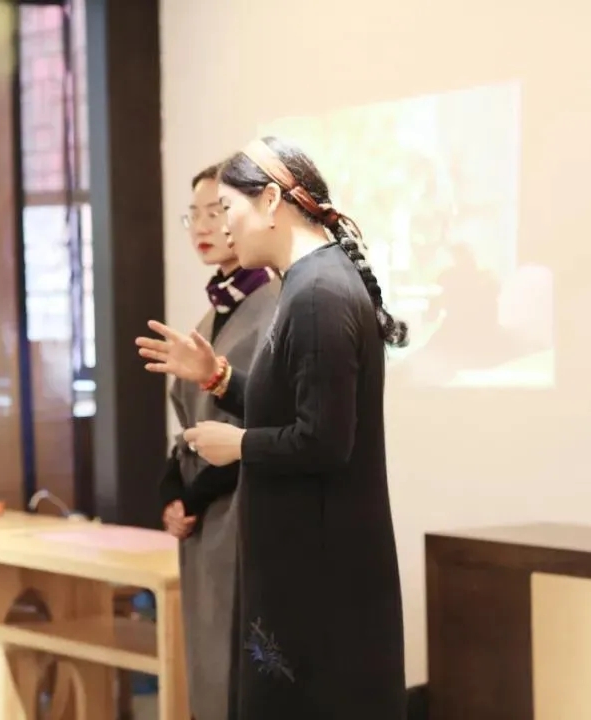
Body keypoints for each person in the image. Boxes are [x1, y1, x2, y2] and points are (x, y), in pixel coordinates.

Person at [136, 137, 408, 718]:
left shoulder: (317, 294)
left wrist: (237, 444)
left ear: (269, 202)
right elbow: (287, 407)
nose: (222, 228)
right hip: (304, 557)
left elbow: (324, 441)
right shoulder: (308, 283)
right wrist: (216, 377)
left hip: (316, 565)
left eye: (227, 209)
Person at [158, 163, 279, 720]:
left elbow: (268, 421)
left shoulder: (277, 304)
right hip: (203, 519)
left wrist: (196, 494)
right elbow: (185, 423)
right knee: (206, 664)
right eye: (195, 215)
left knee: (244, 668)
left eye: (217, 211)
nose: (204, 226)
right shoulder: (210, 316)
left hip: (245, 508)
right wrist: (172, 493)